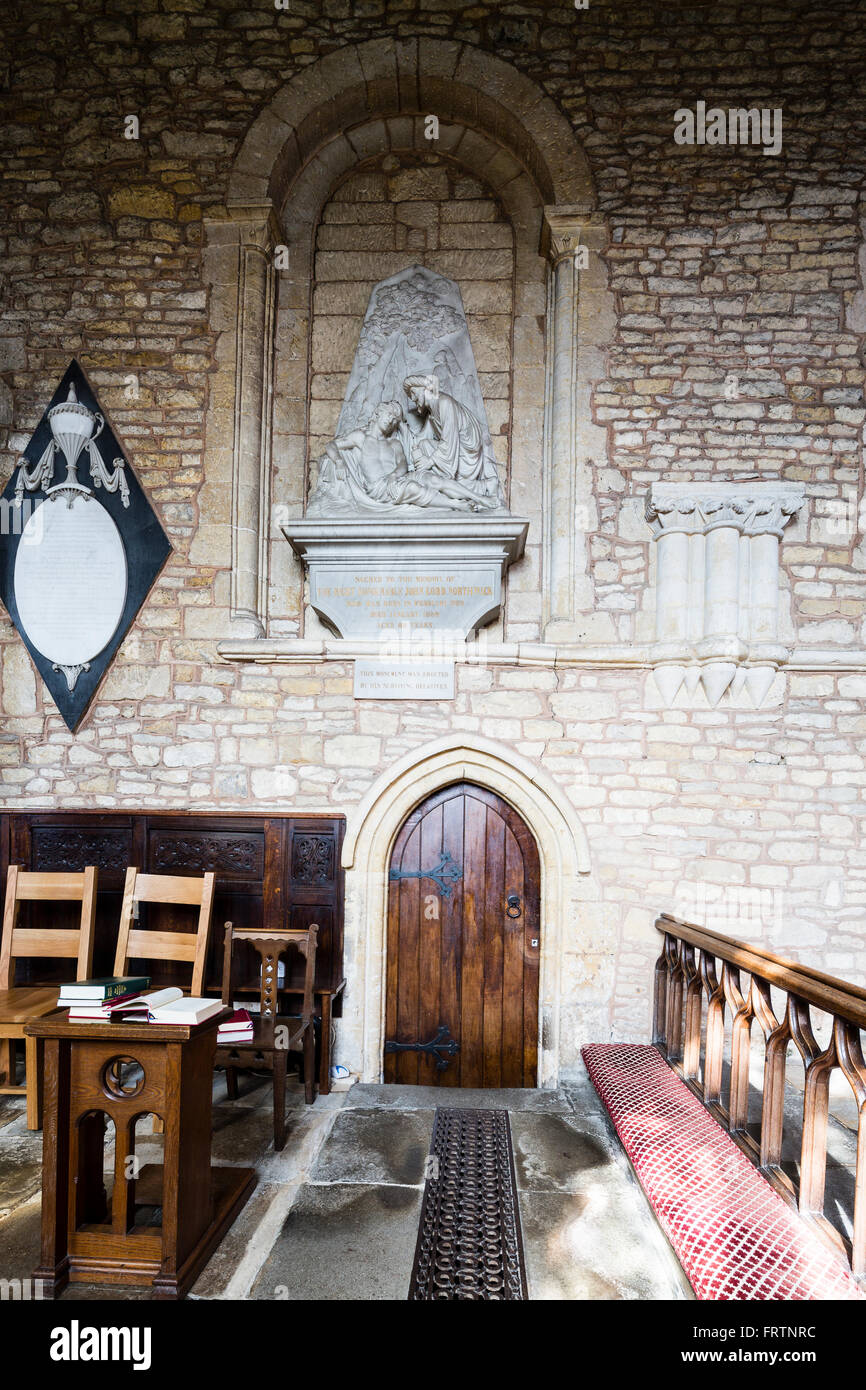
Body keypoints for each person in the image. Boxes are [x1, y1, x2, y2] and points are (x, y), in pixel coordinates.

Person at [403, 373, 502, 507]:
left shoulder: (444, 403)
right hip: (454, 449)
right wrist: (401, 427)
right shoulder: (432, 411)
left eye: (414, 393)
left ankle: (482, 486)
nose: (413, 398)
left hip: (466, 452)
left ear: (425, 389)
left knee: (436, 480)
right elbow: (422, 437)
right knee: (424, 446)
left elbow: (449, 441)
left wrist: (429, 461)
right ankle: (484, 485)